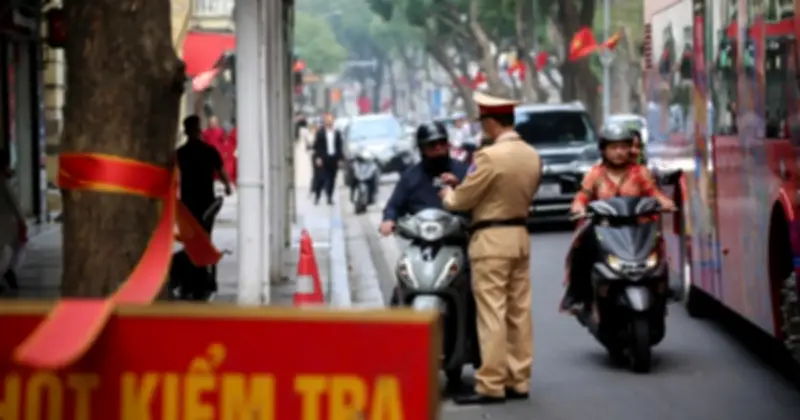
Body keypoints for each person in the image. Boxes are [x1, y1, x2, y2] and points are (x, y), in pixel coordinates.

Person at [438, 92, 542, 405]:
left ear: (492, 122)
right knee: (518, 312)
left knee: (492, 312)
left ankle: (491, 383)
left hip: (491, 239)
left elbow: (463, 200)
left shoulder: (489, 156)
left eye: (484, 121)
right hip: (519, 236)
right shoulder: (531, 154)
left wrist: (448, 194)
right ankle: (518, 379)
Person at [562, 123, 676, 312]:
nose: (619, 152)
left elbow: (654, 193)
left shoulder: (640, 172)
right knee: (580, 248)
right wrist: (578, 208)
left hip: (637, 228)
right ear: (603, 150)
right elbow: (582, 196)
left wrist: (666, 203)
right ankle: (578, 295)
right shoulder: (595, 173)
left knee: (657, 246)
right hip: (604, 228)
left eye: (623, 147)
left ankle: (662, 289)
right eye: (614, 147)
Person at [378, 122, 469, 236]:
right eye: (432, 144)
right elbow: (394, 205)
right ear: (422, 148)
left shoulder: (464, 171)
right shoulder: (411, 177)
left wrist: (458, 185)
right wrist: (389, 219)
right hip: (421, 238)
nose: (438, 148)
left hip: (458, 237)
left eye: (442, 142)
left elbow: (477, 200)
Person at [177, 115, 233, 233]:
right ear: (199, 131)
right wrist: (227, 186)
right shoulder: (209, 151)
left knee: (189, 235)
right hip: (206, 201)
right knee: (205, 234)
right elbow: (221, 170)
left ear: (186, 132)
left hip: (188, 201)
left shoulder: (181, 153)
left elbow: (174, 174)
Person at [312, 113, 344, 205]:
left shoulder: (337, 133)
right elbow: (317, 147)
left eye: (331, 120)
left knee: (332, 179)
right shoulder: (320, 133)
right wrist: (318, 158)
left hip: (333, 159)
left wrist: (340, 159)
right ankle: (317, 195)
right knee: (321, 179)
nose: (329, 122)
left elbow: (339, 147)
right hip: (323, 159)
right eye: (327, 120)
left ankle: (329, 197)